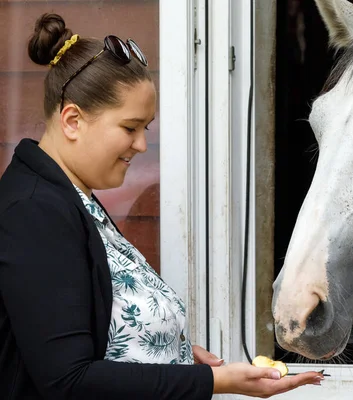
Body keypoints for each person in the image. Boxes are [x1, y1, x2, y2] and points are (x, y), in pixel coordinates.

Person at [0, 13, 323, 400]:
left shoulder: (72, 197)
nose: (141, 145)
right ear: (72, 120)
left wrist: (175, 354)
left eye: (146, 129)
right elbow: (69, 381)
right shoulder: (34, 211)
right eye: (130, 127)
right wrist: (211, 382)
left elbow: (99, 328)